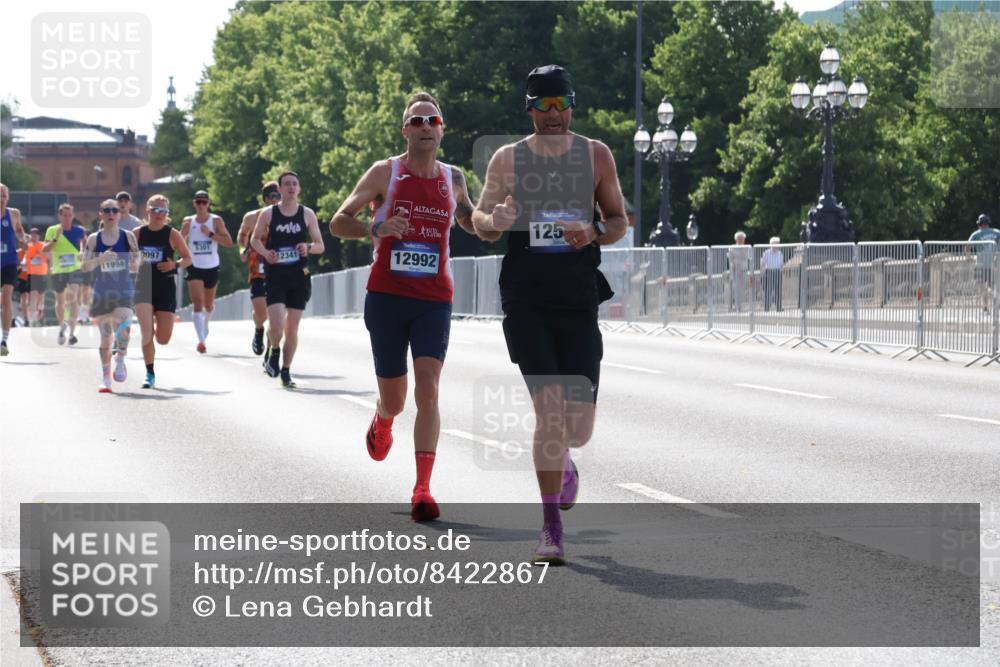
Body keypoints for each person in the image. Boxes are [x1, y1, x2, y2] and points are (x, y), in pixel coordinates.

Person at [471, 65, 628, 564]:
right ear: (530, 108)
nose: (554, 115)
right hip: (527, 298)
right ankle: (551, 528)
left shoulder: (596, 155)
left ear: (572, 105)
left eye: (561, 105)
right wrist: (494, 220)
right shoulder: (508, 159)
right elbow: (481, 220)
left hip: (578, 297)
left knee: (577, 428)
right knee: (550, 409)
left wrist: (596, 232)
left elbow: (620, 218)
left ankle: (565, 463)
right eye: (544, 106)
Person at [331, 91, 479, 523]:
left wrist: (494, 220)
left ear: (442, 128)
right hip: (387, 298)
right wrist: (375, 226)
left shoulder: (453, 179)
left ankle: (422, 488)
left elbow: (470, 219)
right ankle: (382, 417)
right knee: (396, 400)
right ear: (405, 131)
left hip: (435, 299)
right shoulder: (386, 172)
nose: (425, 127)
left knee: (429, 388)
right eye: (417, 121)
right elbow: (339, 221)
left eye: (432, 120)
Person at [251, 171, 324, 388]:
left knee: (292, 329)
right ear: (280, 189)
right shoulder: (269, 213)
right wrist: (265, 252)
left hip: (299, 277)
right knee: (276, 324)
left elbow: (320, 245)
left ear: (299, 188)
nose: (291, 187)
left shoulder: (307, 214)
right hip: (276, 276)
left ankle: (286, 371)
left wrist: (308, 246)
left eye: (295, 184)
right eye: (287, 184)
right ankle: (274, 350)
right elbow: (254, 240)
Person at [134, 195, 193, 388]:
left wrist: (174, 265)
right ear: (148, 211)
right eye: (155, 210)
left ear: (167, 214)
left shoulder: (172, 234)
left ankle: (157, 333)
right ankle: (149, 373)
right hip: (143, 285)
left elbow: (187, 259)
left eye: (163, 211)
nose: (159, 214)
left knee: (163, 338)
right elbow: (126, 259)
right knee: (146, 332)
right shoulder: (137, 233)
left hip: (165, 286)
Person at [82, 200, 140, 393]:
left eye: (114, 210)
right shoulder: (93, 239)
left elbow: (138, 257)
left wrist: (135, 263)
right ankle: (106, 378)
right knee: (106, 337)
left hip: (123, 289)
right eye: (107, 210)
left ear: (118, 214)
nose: (111, 213)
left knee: (124, 328)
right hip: (102, 292)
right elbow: (84, 266)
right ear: (101, 214)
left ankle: (120, 358)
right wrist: (101, 259)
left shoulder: (128, 236)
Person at [181, 190, 233, 353]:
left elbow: (228, 242)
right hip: (194, 266)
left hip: (211, 266)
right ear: (194, 204)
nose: (201, 205)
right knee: (197, 303)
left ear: (208, 204)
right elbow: (178, 244)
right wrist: (184, 232)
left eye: (204, 202)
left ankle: (206, 323)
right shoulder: (188, 221)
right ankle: (201, 340)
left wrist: (210, 234)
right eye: (199, 202)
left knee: (208, 305)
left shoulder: (216, 220)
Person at [238, 181, 280, 355]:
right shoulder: (252, 217)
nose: (277, 200)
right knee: (262, 314)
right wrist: (242, 249)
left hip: (280, 269)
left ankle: (270, 353)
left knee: (275, 315)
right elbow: (242, 235)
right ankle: (258, 329)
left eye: (280, 196)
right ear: (265, 199)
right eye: (273, 197)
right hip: (258, 268)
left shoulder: (290, 216)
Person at [43, 203, 87, 344]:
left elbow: (85, 244)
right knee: (60, 300)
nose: (67, 218)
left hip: (75, 268)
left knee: (73, 297)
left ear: (73, 216)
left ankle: (72, 334)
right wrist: (56, 237)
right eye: (64, 215)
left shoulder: (79, 230)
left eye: (69, 215)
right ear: (59, 216)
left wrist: (82, 252)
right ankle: (62, 326)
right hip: (58, 269)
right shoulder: (52, 230)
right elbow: (45, 250)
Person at [0, 183, 26, 356]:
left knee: (6, 296)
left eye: (3, 196)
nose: (1, 199)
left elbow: (19, 230)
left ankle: (4, 339)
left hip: (10, 260)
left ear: (7, 197)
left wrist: (23, 239)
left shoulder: (14, 213)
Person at [968, 213, 999, 314]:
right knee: (993, 286)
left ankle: (985, 307)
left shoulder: (976, 234)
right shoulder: (997, 232)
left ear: (979, 224)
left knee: (981, 287)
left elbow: (967, 248)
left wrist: (971, 258)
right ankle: (996, 302)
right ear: (988, 223)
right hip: (993, 265)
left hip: (980, 265)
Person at [23, 228, 48, 326]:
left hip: (42, 273)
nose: (33, 236)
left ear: (39, 235)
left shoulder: (43, 245)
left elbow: (48, 255)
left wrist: (39, 249)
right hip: (32, 274)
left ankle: (40, 310)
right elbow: (26, 256)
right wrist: (24, 262)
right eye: (31, 234)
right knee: (33, 295)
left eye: (35, 234)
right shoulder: (28, 246)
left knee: (41, 297)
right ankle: (33, 318)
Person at [728, 231, 751, 312]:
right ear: (736, 239)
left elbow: (749, 258)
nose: (742, 240)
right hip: (736, 271)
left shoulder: (747, 247)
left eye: (743, 239)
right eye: (740, 239)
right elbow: (731, 259)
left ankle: (742, 305)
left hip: (744, 270)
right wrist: (734, 266)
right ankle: (738, 307)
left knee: (743, 289)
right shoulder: (732, 248)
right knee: (737, 289)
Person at [760, 236, 784, 312]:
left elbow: (781, 263)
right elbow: (762, 263)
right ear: (771, 244)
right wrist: (763, 272)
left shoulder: (780, 253)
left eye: (777, 243)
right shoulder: (766, 253)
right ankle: (766, 307)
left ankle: (779, 307)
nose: (776, 245)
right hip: (769, 272)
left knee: (778, 291)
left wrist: (780, 271)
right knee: (768, 291)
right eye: (775, 243)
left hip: (777, 272)